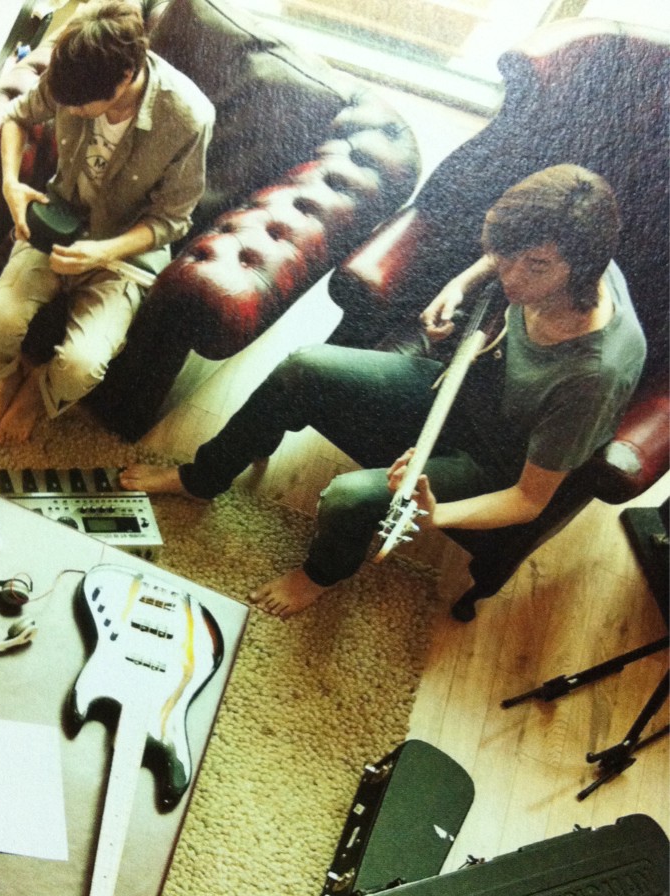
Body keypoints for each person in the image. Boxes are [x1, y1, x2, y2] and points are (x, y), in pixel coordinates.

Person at [120, 164, 646, 618]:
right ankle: (202, 478)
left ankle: (321, 575)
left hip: (494, 459)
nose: (511, 278)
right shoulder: (549, 253)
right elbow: (507, 258)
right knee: (302, 367)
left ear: (582, 267)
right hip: (459, 388)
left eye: (534, 267)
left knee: (349, 498)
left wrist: (436, 515)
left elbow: (529, 499)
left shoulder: (592, 377)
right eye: (506, 255)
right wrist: (459, 285)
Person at [0, 0, 214, 445]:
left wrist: (102, 252)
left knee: (81, 367)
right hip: (57, 221)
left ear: (125, 76)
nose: (73, 112)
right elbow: (17, 117)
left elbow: (173, 219)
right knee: (0, 322)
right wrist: (10, 184)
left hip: (124, 253)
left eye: (82, 108)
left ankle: (36, 392)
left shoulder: (188, 118)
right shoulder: (72, 72)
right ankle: (6, 380)